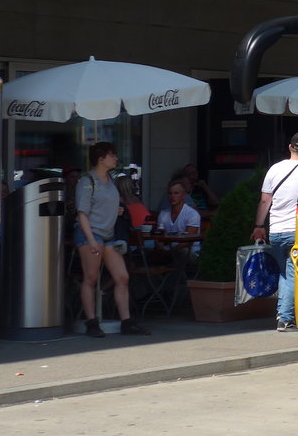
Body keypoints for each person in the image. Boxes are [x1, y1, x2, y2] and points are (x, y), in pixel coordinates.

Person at [73, 141, 151, 338]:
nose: (115, 158)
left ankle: (126, 321)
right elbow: (82, 213)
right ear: (101, 159)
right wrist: (90, 240)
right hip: (91, 233)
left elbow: (103, 205)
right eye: (112, 155)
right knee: (90, 278)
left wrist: (117, 210)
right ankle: (92, 322)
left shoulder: (110, 180)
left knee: (122, 276)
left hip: (108, 234)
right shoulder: (87, 182)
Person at [251, 132, 298, 332]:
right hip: (296, 230)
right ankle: (286, 319)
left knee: (285, 272)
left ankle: (283, 313)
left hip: (275, 231)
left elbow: (265, 201)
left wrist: (258, 226)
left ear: (290, 147)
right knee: (291, 274)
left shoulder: (275, 169)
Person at [156, 178, 202, 259]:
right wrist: (161, 248)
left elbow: (189, 241)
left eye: (176, 193)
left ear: (183, 196)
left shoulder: (192, 214)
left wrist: (171, 251)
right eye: (170, 193)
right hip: (169, 249)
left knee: (180, 253)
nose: (172, 196)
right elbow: (160, 236)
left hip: (189, 250)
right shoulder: (163, 214)